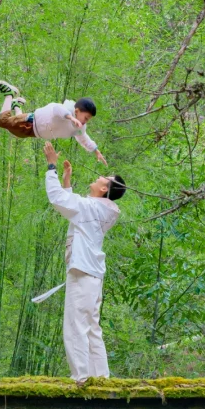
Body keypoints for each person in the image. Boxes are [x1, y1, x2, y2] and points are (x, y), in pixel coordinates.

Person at [43, 141, 125, 383]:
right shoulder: (101, 209)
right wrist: (67, 180)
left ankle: (81, 377)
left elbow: (57, 199)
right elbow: (72, 207)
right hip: (92, 272)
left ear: (103, 190)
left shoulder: (91, 208)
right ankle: (100, 377)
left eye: (105, 178)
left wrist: (51, 166)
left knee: (76, 325)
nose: (100, 176)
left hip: (82, 271)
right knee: (91, 326)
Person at [0, 80, 107, 166]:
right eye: (85, 118)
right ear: (76, 111)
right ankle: (9, 93)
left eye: (88, 120)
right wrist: (71, 118)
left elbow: (84, 139)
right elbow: (57, 110)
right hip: (29, 122)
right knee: (3, 121)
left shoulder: (79, 128)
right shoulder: (65, 109)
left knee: (14, 133)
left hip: (34, 133)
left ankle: (16, 106)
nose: (85, 121)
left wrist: (96, 151)